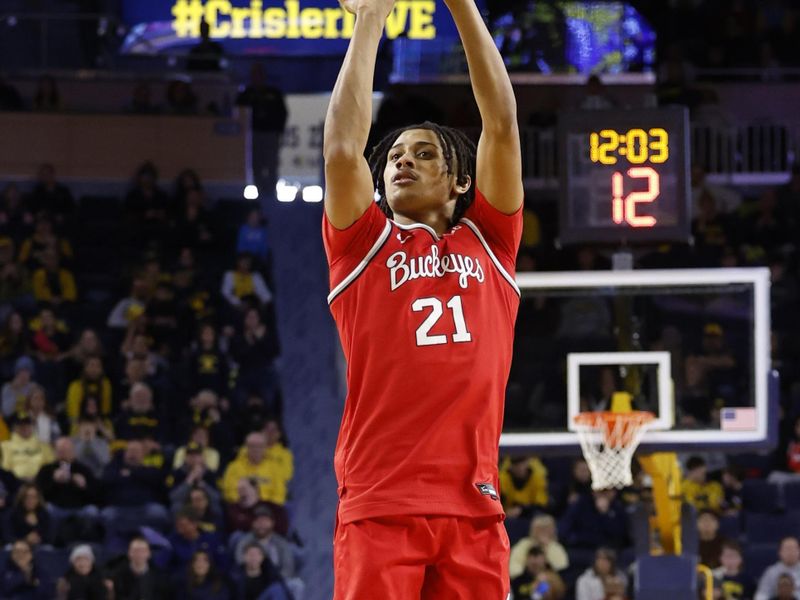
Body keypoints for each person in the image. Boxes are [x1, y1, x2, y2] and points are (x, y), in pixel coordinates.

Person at [323, 0, 522, 593]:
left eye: (424, 154)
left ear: (461, 182)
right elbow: (341, 151)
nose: (402, 161)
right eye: (394, 157)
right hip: (382, 500)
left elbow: (502, 123)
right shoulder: (363, 244)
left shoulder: (491, 240)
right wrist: (371, 17)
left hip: (475, 506)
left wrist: (460, 3)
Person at [236, 63, 288, 201]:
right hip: (253, 135)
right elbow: (238, 113)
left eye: (260, 74)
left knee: (271, 164)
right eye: (255, 75)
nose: (257, 78)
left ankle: (271, 192)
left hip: (270, 134)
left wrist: (278, 131)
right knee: (256, 165)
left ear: (264, 76)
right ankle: (259, 193)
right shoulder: (246, 94)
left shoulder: (273, 93)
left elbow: (282, 113)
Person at [509, 513, 569, 578]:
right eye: (540, 528)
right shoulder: (524, 544)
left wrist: (547, 547)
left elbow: (561, 569)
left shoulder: (556, 547)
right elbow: (514, 568)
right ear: (533, 530)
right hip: (525, 580)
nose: (543, 531)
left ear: (552, 530)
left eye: (546, 528)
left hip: (549, 581)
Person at [1, 411, 55, 481]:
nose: (25, 427)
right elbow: (5, 470)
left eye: (27, 424)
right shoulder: (5, 447)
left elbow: (50, 468)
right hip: (15, 485)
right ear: (14, 427)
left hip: (40, 483)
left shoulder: (44, 446)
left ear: (32, 426)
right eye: (20, 425)